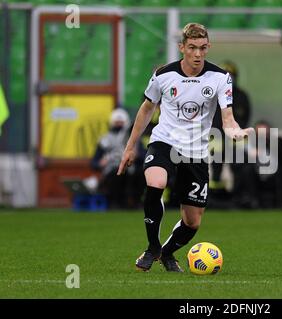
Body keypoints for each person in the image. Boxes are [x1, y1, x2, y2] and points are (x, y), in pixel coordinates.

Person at [117, 23, 253, 272]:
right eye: (192, 48)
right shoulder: (163, 75)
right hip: (164, 142)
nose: (198, 54)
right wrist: (129, 147)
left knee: (192, 221)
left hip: (196, 151)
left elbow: (228, 118)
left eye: (202, 48)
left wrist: (235, 131)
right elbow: (147, 108)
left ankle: (167, 253)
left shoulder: (220, 78)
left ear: (208, 47)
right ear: (182, 48)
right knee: (155, 184)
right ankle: (152, 248)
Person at [91, 108, 145, 209]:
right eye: (117, 122)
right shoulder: (104, 139)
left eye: (121, 122)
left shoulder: (133, 139)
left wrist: (137, 155)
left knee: (139, 173)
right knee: (117, 173)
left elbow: (143, 156)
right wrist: (100, 163)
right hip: (112, 170)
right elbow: (94, 162)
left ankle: (136, 202)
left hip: (131, 169)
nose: (119, 125)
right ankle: (115, 203)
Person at [210, 60, 252, 190]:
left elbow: (245, 118)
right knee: (215, 164)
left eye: (230, 76)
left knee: (239, 162)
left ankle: (238, 194)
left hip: (235, 138)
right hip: (214, 137)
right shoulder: (211, 97)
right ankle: (214, 194)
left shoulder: (242, 97)